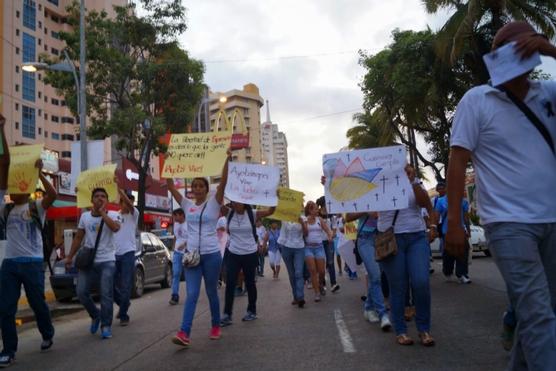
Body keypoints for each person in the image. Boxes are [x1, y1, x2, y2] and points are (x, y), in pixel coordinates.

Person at [445, 21, 556, 369]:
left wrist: (551, 49)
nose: (517, 53)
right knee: (539, 316)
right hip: (508, 224)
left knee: (541, 314)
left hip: (552, 219)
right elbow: (457, 159)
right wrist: (454, 223)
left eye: (525, 47)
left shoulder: (548, 94)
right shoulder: (477, 100)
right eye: (508, 48)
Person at [0, 116, 58, 367]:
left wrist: (40, 172)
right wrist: (2, 129)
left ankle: (47, 332)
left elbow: (53, 194)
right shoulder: (5, 209)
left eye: (18, 183)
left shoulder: (36, 207)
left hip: (33, 264)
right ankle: (9, 350)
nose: (13, 188)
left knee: (37, 303)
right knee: (5, 309)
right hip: (10, 264)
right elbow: (4, 162)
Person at [166, 149, 231, 347]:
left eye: (201, 185)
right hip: (191, 257)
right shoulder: (186, 205)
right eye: (195, 186)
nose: (198, 188)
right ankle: (184, 333)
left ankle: (215, 326)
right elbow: (170, 185)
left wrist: (227, 158)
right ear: (192, 189)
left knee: (211, 292)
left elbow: (223, 183)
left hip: (212, 255)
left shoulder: (214, 203)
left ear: (206, 188)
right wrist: (169, 163)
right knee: (192, 294)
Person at [378, 164, 437, 346]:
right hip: (390, 238)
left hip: (416, 236)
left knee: (421, 282)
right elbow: (355, 205)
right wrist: (332, 183)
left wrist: (412, 182)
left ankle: (424, 328)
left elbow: (425, 204)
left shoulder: (414, 181)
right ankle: (401, 331)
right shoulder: (376, 183)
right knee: (398, 287)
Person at [65, 188, 122, 340]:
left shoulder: (114, 215)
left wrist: (103, 213)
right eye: (96, 196)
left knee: (106, 294)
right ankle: (95, 315)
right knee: (81, 293)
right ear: (91, 200)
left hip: (107, 260)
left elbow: (115, 228)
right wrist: (69, 256)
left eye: (103, 196)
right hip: (88, 261)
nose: (100, 198)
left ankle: (106, 325)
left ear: (107, 200)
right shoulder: (85, 217)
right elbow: (78, 238)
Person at [220, 203, 275, 326]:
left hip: (250, 253)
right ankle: (227, 314)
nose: (235, 203)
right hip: (233, 252)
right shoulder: (228, 212)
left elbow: (270, 211)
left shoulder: (253, 213)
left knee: (250, 283)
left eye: (238, 201)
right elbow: (218, 203)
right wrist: (222, 188)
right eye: (233, 200)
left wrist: (273, 198)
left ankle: (251, 311)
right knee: (230, 283)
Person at [345, 212, 391, 331]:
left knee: (375, 276)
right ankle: (383, 314)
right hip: (365, 238)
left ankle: (369, 308)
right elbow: (347, 217)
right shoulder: (363, 195)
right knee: (375, 276)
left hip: (383, 237)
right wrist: (366, 210)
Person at [113, 190, 139, 326]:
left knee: (126, 285)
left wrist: (119, 188)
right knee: (110, 284)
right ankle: (124, 303)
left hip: (128, 253)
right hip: (114, 254)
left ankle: (123, 315)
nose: (129, 204)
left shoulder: (134, 215)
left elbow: (129, 204)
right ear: (120, 202)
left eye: (132, 202)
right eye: (126, 202)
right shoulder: (114, 216)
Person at [434, 192, 472, 284]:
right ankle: (448, 272)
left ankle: (462, 274)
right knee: (448, 254)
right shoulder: (440, 201)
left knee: (463, 252)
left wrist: (468, 229)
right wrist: (434, 229)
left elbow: (466, 217)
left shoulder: (463, 201)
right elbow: (436, 216)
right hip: (446, 231)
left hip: (460, 230)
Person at [302, 201, 333, 302]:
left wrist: (329, 236)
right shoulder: (305, 220)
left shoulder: (320, 220)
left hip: (319, 248)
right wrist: (304, 224)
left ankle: (320, 285)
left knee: (322, 271)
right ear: (310, 210)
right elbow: (305, 234)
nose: (317, 210)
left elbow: (328, 230)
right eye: (315, 209)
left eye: (317, 208)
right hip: (308, 248)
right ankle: (317, 293)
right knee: (313, 271)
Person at [279, 217, 308, 308]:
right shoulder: (284, 216)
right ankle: (295, 296)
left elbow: (306, 233)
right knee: (291, 274)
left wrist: (302, 223)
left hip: (299, 247)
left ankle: (300, 297)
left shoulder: (303, 218)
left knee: (298, 272)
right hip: (286, 247)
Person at [316, 197, 340, 293]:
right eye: (327, 203)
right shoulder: (317, 216)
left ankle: (333, 284)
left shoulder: (332, 216)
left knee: (330, 262)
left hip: (329, 242)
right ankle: (322, 284)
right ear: (323, 204)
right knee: (321, 265)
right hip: (319, 242)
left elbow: (334, 228)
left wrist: (332, 236)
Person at [169, 208, 187, 305]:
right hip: (177, 252)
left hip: (187, 253)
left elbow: (193, 237)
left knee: (189, 275)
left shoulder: (188, 224)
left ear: (181, 215)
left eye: (175, 216)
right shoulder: (176, 224)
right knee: (176, 274)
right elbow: (176, 236)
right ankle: (174, 295)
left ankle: (191, 294)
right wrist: (173, 247)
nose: (174, 218)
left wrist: (184, 245)